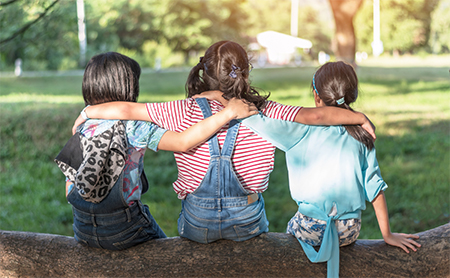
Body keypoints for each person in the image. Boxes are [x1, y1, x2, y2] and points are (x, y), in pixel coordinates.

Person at [71, 41, 376, 244]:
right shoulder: (264, 110)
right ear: (245, 73)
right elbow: (316, 116)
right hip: (247, 223)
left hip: (197, 223)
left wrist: (89, 110)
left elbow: (127, 109)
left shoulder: (182, 108)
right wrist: (358, 117)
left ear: (205, 73)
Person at [55, 52, 257, 250]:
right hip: (123, 228)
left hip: (81, 228)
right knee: (171, 256)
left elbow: (69, 190)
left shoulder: (82, 125)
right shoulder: (133, 126)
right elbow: (183, 142)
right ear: (127, 87)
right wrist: (228, 113)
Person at [239, 61, 421, 277]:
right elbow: (375, 188)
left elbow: (256, 121)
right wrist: (388, 234)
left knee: (291, 229)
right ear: (352, 94)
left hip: (310, 228)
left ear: (317, 97)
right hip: (349, 230)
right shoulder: (363, 136)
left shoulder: (298, 131)